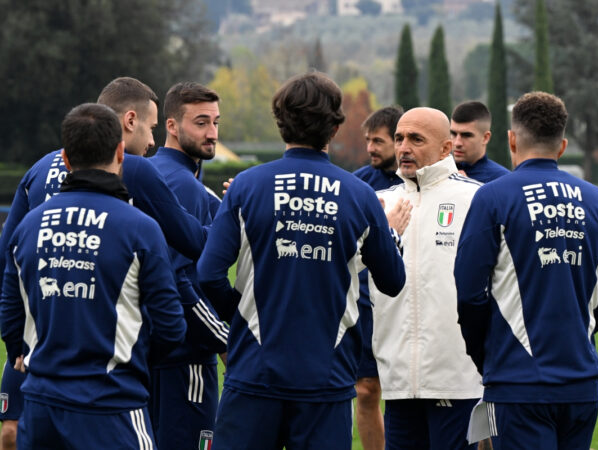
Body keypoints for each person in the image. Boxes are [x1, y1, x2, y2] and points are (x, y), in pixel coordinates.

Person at [197, 72, 406, 450]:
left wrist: (240, 317)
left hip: (255, 371)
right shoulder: (360, 195)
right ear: (336, 125)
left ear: (280, 122)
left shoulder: (246, 185)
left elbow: (208, 273)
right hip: (325, 378)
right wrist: (391, 232)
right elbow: (392, 281)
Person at [0, 76, 209, 450]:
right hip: (110, 394)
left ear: (66, 158)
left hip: (42, 383)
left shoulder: (36, 185)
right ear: (119, 148)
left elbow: (9, 265)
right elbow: (189, 255)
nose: (151, 144)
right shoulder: (139, 190)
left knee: (11, 431)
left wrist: (19, 348)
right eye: (151, 128)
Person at [454, 92, 598, 449]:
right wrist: (577, 331)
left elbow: (469, 292)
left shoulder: (492, 197)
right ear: (562, 146)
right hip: (581, 383)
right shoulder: (597, 200)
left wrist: (485, 353)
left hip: (517, 383)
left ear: (511, 139)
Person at [368, 107, 484, 449]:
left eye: (416, 139)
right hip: (398, 379)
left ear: (446, 148)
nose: (404, 147)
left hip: (457, 379)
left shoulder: (476, 199)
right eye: (400, 138)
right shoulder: (378, 203)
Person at [149, 82, 228, 450]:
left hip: (147, 354)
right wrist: (223, 339)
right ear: (172, 126)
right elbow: (178, 277)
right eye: (200, 123)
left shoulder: (153, 173)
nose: (211, 133)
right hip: (185, 356)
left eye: (215, 122)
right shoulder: (182, 184)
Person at [352, 106, 405, 450]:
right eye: (368, 140)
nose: (371, 148)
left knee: (409, 394)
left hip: (410, 304)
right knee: (366, 389)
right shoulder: (357, 185)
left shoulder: (421, 182)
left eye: (378, 141)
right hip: (366, 302)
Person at [450, 101, 509, 183]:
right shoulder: (439, 174)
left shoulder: (503, 180)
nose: (457, 143)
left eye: (466, 135)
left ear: (485, 138)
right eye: (453, 134)